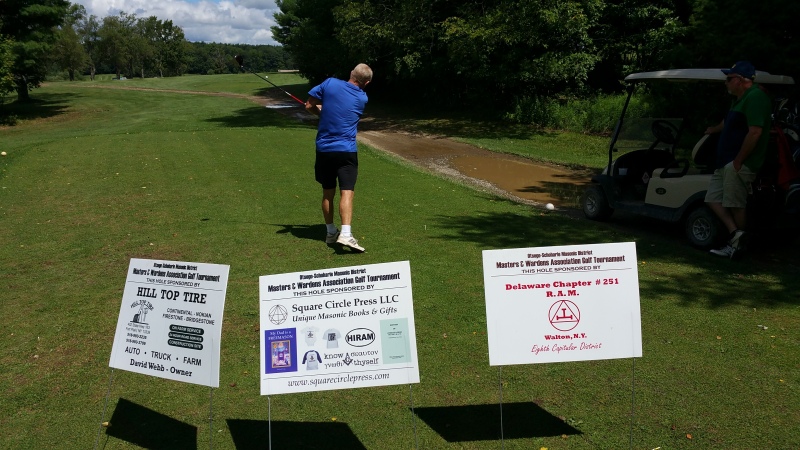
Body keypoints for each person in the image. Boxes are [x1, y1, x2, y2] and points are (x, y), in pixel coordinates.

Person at [704, 61, 773, 258]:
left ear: (740, 80)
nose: (726, 82)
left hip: (738, 163)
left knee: (736, 204)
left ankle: (739, 248)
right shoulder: (739, 98)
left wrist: (738, 161)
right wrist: (712, 130)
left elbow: (755, 132)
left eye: (729, 78)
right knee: (712, 199)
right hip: (725, 161)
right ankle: (736, 234)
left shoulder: (756, 97)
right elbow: (728, 122)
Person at [305, 64, 373, 253]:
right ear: (367, 83)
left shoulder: (330, 83)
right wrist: (325, 110)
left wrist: (320, 112)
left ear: (351, 73)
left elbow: (309, 105)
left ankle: (330, 232)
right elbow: (342, 109)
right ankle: (345, 234)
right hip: (346, 151)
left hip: (324, 149)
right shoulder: (362, 98)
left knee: (328, 192)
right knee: (347, 192)